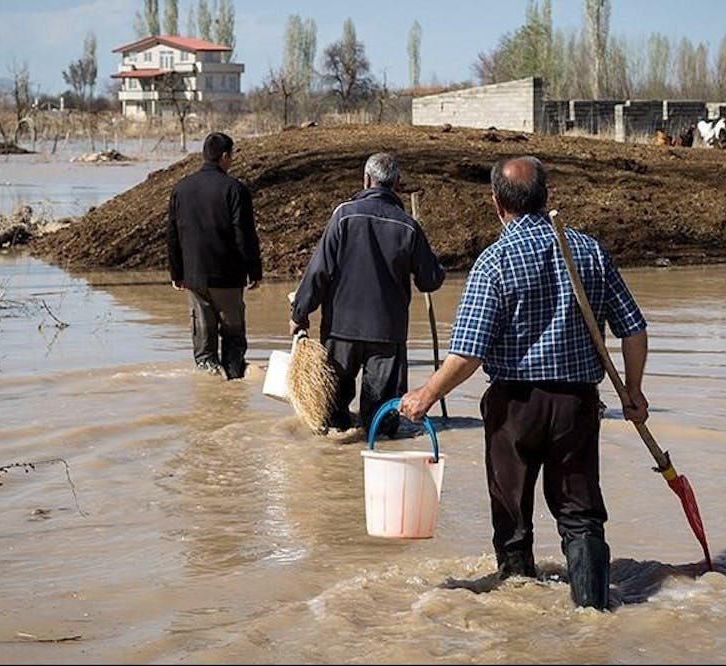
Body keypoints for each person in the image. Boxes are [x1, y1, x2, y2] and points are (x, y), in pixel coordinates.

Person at [398, 155, 649, 610]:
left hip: (514, 409)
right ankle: (592, 615)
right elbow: (632, 329)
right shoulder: (588, 251)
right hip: (576, 405)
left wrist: (426, 394)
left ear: (496, 203)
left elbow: (469, 354)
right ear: (546, 197)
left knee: (511, 512)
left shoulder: (494, 262)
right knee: (581, 514)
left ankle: (517, 610)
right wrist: (634, 392)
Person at [289, 152, 445, 434]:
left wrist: (299, 313)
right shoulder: (408, 226)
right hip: (387, 333)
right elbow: (430, 281)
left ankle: (335, 470)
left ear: (366, 180)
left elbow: (318, 271)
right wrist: (436, 264)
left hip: (341, 330)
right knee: (381, 420)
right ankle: (377, 464)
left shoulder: (343, 216)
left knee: (331, 414)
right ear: (396, 183)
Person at [167, 131, 262, 380]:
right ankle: (232, 387)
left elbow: (173, 235)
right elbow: (244, 235)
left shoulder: (181, 189)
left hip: (194, 277)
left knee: (203, 345)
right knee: (233, 342)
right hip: (228, 277)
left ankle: (208, 396)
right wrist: (254, 271)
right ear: (225, 156)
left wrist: (177, 273)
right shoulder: (235, 190)